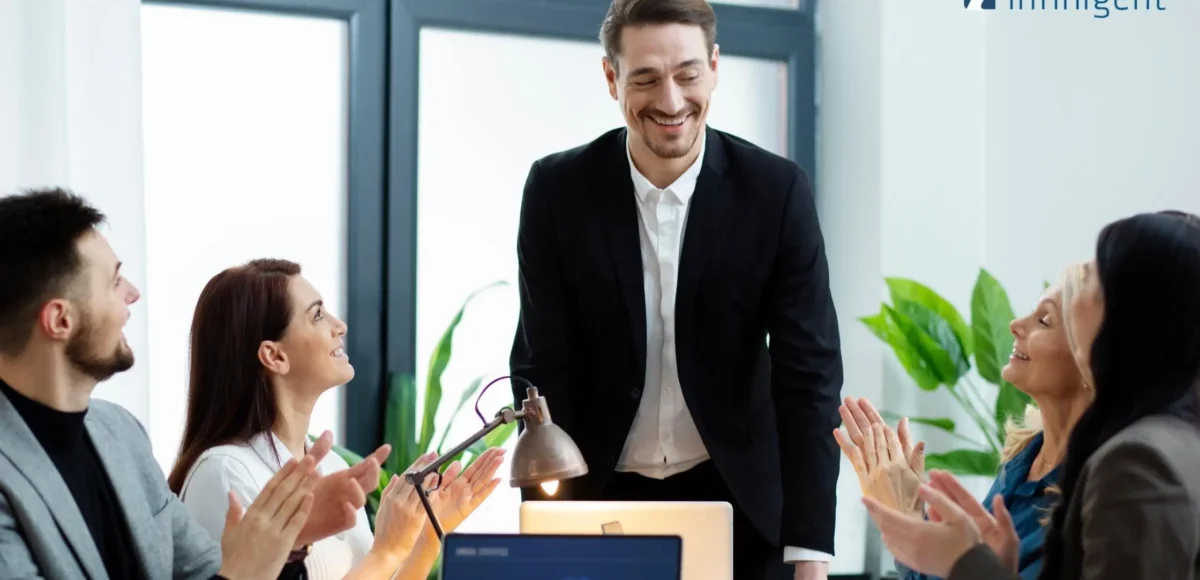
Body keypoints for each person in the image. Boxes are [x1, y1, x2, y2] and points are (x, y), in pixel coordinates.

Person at [507, 1, 842, 578]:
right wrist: (547, 527)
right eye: (645, 78)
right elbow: (542, 364)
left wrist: (809, 551)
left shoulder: (776, 193)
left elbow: (808, 378)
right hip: (600, 497)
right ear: (611, 78)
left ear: (714, 66)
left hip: (743, 504)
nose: (670, 101)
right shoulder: (557, 191)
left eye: (688, 74)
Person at [0, 187, 333, 579]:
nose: (133, 294)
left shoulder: (121, 433)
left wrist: (283, 545)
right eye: (114, 282)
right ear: (60, 321)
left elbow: (204, 569)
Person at [862, 210, 1200, 580]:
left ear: (1125, 318)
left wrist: (969, 563)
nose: (1078, 287)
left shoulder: (1138, 463)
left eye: (1091, 279)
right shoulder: (1031, 458)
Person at [169, 258, 505, 580]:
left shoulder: (330, 466)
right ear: (274, 356)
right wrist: (385, 552)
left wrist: (426, 538)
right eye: (317, 316)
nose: (338, 325)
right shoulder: (226, 473)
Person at [835, 265, 1093, 580]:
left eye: (1044, 320)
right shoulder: (1022, 459)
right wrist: (910, 519)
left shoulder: (1089, 493)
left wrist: (909, 521)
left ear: (1091, 360)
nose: (1015, 325)